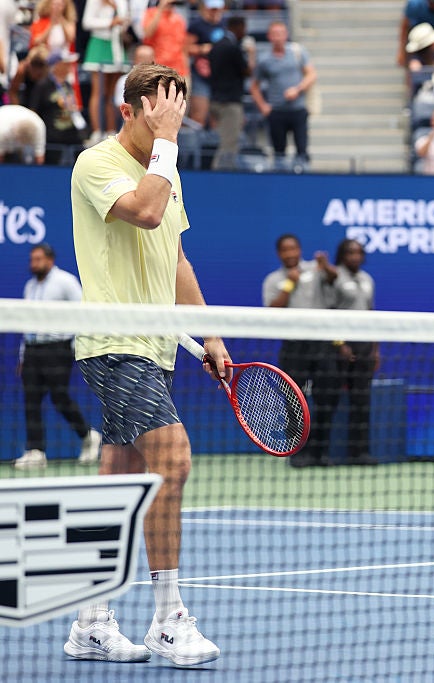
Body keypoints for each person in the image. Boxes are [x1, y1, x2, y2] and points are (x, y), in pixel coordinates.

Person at [68, 63, 225, 665]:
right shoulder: (95, 163)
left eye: (177, 114)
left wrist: (211, 335)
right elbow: (145, 211)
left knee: (118, 485)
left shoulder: (167, 168)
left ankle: (90, 620)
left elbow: (176, 257)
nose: (170, 124)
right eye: (161, 113)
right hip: (114, 343)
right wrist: (166, 143)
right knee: (174, 460)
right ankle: (168, 620)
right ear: (129, 110)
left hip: (157, 347)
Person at [14, 244, 101, 470]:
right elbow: (27, 323)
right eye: (32, 260)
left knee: (59, 397)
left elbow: (82, 313)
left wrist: (75, 346)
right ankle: (36, 452)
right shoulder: (30, 286)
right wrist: (23, 355)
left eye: (38, 259)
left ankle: (88, 435)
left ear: (50, 260)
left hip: (58, 349)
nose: (34, 264)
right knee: (31, 400)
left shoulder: (66, 282)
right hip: (32, 351)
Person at [262, 234, 341, 468]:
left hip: (322, 344)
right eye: (285, 250)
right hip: (294, 346)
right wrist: (289, 284)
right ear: (279, 254)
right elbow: (272, 310)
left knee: (326, 398)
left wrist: (326, 266)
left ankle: (321, 453)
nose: (290, 254)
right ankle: (298, 453)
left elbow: (334, 278)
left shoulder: (317, 270)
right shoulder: (273, 280)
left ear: (299, 250)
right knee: (295, 401)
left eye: (293, 249)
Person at [331, 239, 380, 466]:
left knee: (362, 402)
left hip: (364, 347)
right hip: (339, 347)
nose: (355, 256)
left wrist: (375, 349)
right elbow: (328, 312)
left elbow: (371, 314)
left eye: (359, 252)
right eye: (350, 252)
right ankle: (322, 453)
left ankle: (359, 453)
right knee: (328, 400)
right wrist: (340, 344)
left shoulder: (367, 279)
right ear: (342, 255)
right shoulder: (333, 278)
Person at [250, 21, 317, 170]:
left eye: (280, 34)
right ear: (269, 36)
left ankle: (303, 174)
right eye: (274, 34)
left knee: (302, 150)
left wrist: (298, 89)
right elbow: (254, 86)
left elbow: (311, 74)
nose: (278, 38)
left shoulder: (297, 52)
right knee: (279, 152)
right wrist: (263, 106)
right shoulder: (264, 59)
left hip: (298, 109)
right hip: (277, 111)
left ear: (286, 35)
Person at [81, 0, 132, 144]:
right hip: (99, 44)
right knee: (98, 92)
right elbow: (86, 22)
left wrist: (122, 23)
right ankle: (97, 132)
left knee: (111, 94)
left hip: (116, 46)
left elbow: (124, 23)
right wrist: (111, 22)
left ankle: (111, 131)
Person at [27, 49, 87, 165]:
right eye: (66, 63)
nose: (69, 66)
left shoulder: (67, 85)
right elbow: (33, 112)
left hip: (71, 135)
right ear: (57, 65)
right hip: (51, 138)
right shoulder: (42, 85)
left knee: (82, 162)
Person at [208, 14, 252, 171]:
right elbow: (247, 71)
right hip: (230, 103)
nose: (245, 32)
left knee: (223, 140)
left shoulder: (216, 45)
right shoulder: (233, 47)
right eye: (243, 28)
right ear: (237, 27)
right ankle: (220, 174)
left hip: (215, 98)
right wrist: (251, 54)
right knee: (229, 143)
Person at [185, 0, 227, 128]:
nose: (214, 12)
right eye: (212, 9)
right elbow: (186, 48)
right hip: (201, 74)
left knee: (219, 118)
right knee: (199, 115)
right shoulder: (196, 25)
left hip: (220, 75)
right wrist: (202, 49)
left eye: (217, 9)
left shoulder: (225, 24)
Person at [141, 0, 188, 79]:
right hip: (157, 68)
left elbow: (183, 48)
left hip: (178, 70)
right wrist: (160, 8)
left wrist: (186, 72)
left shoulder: (178, 19)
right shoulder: (151, 13)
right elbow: (148, 33)